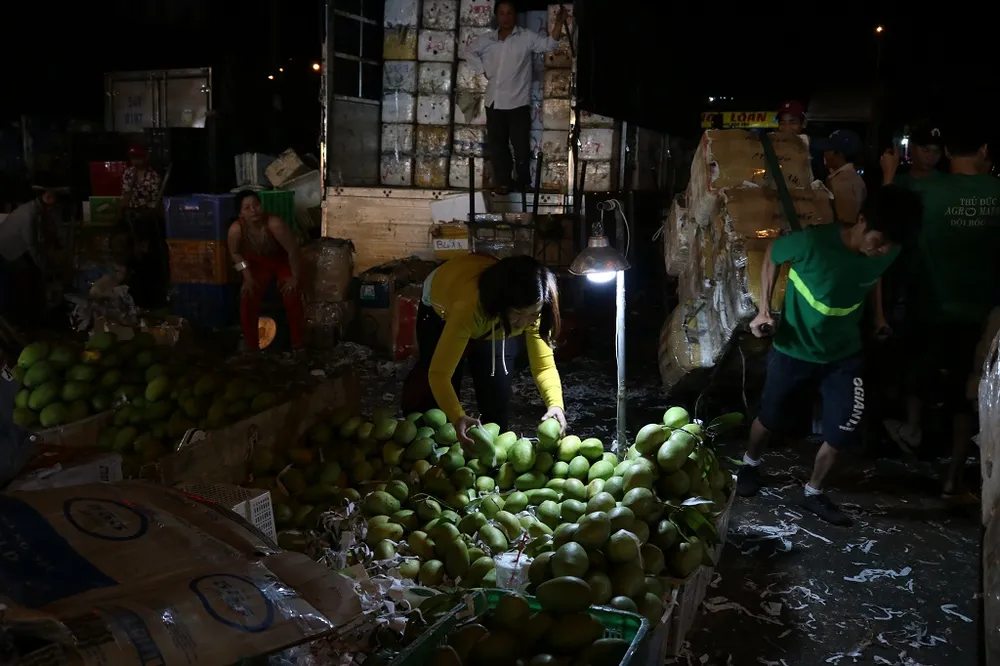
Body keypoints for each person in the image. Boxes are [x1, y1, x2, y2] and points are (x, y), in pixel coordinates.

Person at [739, 185, 922, 525]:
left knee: (842, 430)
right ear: (862, 221)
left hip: (843, 355)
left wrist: (878, 315)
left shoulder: (886, 252)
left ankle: (814, 492)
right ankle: (750, 465)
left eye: (890, 246)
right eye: (878, 241)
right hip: (794, 349)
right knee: (769, 417)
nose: (882, 250)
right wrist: (764, 310)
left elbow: (874, 276)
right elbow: (772, 254)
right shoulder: (813, 242)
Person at [880, 125, 1000, 501]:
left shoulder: (925, 190)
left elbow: (885, 222)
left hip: (926, 306)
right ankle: (953, 479)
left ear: (947, 150)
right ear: (984, 149)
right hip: (981, 316)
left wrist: (886, 177)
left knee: (921, 373)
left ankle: (913, 431)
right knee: (966, 396)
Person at [402, 253, 566, 442]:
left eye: (532, 314)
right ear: (502, 306)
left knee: (496, 394)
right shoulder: (469, 308)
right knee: (439, 400)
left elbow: (543, 366)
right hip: (442, 300)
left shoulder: (533, 306)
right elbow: (439, 374)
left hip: (490, 312)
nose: (524, 323)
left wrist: (555, 405)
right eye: (518, 314)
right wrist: (458, 417)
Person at [466, 1, 567, 195]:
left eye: (509, 13)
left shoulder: (525, 37)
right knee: (498, 147)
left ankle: (523, 182)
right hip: (494, 102)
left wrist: (559, 23)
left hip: (518, 102)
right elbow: (469, 51)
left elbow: (549, 44)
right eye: (502, 13)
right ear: (497, 16)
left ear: (515, 16)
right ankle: (503, 183)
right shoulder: (487, 40)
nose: (505, 17)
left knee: (520, 148)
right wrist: (482, 70)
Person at [227, 190, 304, 354]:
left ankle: (298, 345)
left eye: (256, 205)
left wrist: (295, 276)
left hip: (281, 260)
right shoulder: (236, 229)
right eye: (247, 208)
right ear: (240, 212)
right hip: (256, 263)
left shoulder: (273, 223)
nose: (253, 210)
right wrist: (247, 276)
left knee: (292, 294)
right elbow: (235, 254)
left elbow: (293, 249)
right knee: (247, 296)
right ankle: (252, 348)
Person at [0, 185, 61, 326]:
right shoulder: (30, 214)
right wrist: (43, 266)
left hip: (16, 248)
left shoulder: (39, 210)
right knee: (23, 282)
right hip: (8, 250)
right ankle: (25, 321)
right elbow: (32, 244)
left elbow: (47, 232)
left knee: (30, 277)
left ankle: (30, 317)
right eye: (50, 197)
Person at [117, 145, 167, 308]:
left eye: (138, 157)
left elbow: (155, 203)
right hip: (131, 216)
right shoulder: (128, 173)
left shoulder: (153, 177)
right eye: (133, 157)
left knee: (147, 257)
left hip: (147, 218)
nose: (135, 161)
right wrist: (121, 212)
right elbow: (125, 195)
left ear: (145, 158)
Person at [815, 129, 867, 224]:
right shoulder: (843, 177)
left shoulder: (844, 182)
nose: (824, 154)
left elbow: (846, 222)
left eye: (828, 150)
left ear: (840, 154)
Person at [894, 125, 944, 190]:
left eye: (937, 151)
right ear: (911, 147)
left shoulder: (946, 183)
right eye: (925, 150)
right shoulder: (897, 181)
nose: (931, 157)